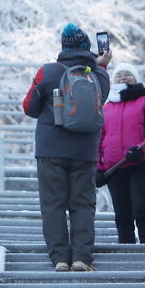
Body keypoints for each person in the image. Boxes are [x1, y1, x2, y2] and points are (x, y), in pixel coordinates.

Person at [22, 23, 111, 272]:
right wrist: (102, 64)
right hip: (85, 151)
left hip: (50, 150)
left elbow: (29, 108)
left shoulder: (47, 72)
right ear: (87, 48)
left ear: (63, 48)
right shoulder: (99, 75)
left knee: (53, 204)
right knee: (83, 204)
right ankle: (82, 257)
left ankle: (60, 258)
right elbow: (101, 99)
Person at [97, 63, 145, 244]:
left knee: (142, 209)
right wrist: (97, 167)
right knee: (122, 214)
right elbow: (97, 139)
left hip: (140, 162)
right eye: (119, 75)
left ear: (136, 78)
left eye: (128, 74)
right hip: (114, 167)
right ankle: (126, 252)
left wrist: (142, 149)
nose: (123, 78)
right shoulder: (107, 107)